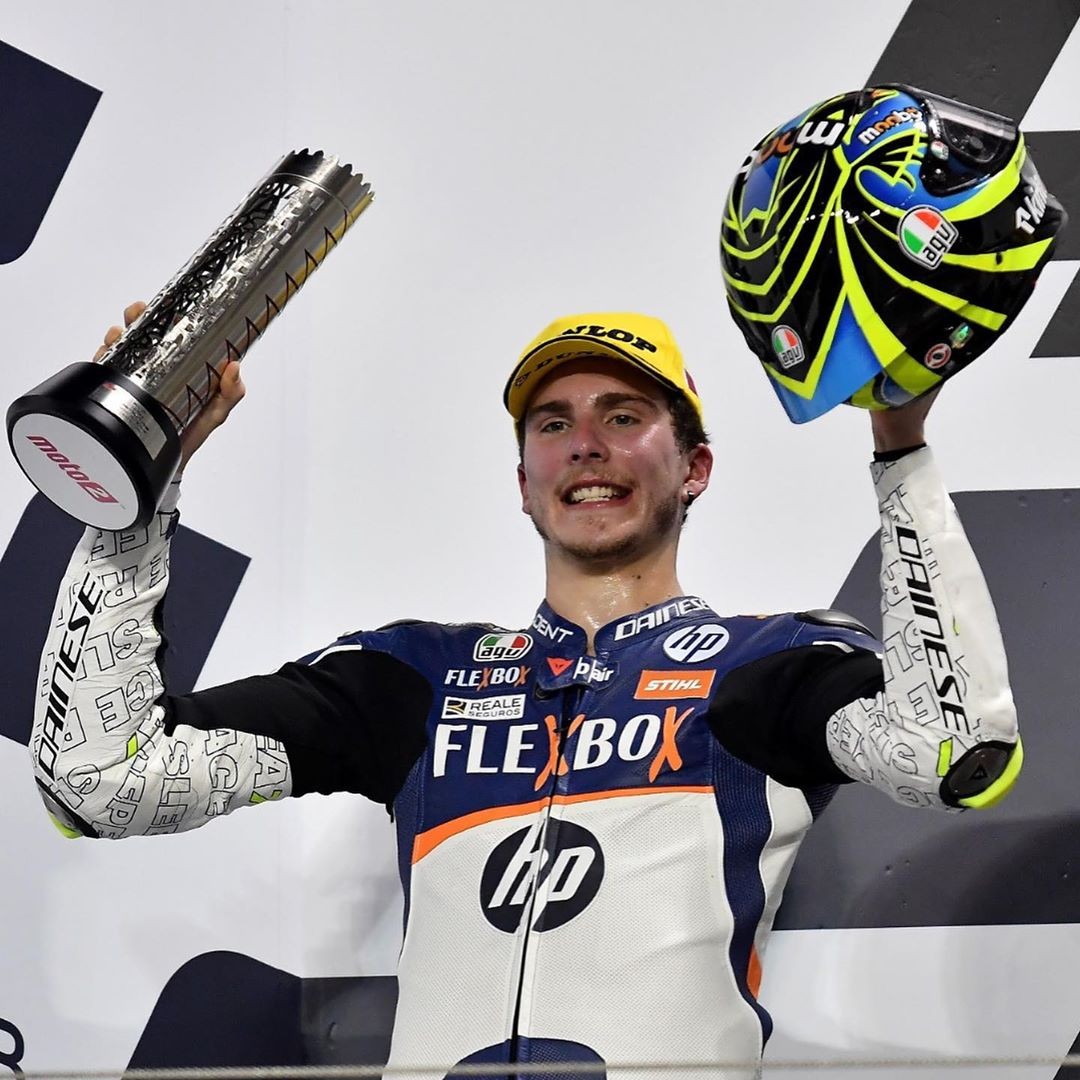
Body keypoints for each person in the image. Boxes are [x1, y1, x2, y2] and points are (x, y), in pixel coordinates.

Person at [31, 305, 1020, 1078]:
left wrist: (899, 447)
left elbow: (951, 748)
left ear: (695, 468)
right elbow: (101, 782)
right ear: (522, 481)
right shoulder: (414, 677)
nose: (585, 443)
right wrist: (134, 499)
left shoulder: (765, 666)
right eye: (554, 423)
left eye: (623, 416)